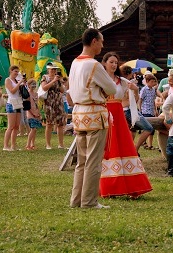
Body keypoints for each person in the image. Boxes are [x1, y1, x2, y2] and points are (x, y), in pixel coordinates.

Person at [69, 28, 117, 209]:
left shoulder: (74, 62)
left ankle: (76, 200)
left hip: (79, 113)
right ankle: (89, 202)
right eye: (102, 41)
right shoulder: (93, 65)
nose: (103, 45)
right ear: (94, 41)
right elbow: (112, 88)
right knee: (93, 161)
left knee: (81, 161)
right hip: (95, 114)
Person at [99, 52, 153, 198]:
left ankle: (133, 187)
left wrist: (134, 91)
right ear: (104, 63)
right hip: (104, 114)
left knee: (124, 146)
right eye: (111, 62)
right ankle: (109, 187)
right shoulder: (99, 79)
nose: (114, 65)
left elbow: (134, 94)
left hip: (118, 114)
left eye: (116, 62)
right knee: (108, 148)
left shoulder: (121, 81)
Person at [40, 62, 67, 149]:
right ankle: (48, 144)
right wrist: (53, 80)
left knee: (60, 123)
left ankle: (61, 144)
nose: (53, 71)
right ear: (48, 69)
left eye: (55, 69)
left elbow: (62, 90)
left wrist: (59, 81)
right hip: (49, 102)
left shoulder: (57, 78)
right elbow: (44, 88)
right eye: (52, 69)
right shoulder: (45, 77)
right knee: (49, 123)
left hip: (58, 102)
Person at [3, 65, 24, 151]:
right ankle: (5, 146)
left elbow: (18, 91)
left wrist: (22, 84)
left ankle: (13, 145)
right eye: (15, 71)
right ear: (11, 71)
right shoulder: (8, 80)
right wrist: (19, 83)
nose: (17, 73)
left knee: (16, 126)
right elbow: (12, 91)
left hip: (18, 103)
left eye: (17, 72)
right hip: (11, 103)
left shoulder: (16, 80)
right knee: (10, 126)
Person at [25, 79, 43, 150]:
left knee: (34, 130)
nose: (34, 86)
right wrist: (32, 113)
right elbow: (27, 106)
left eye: (35, 84)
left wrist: (38, 113)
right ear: (28, 85)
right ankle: (28, 144)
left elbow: (37, 105)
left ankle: (32, 144)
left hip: (36, 113)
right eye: (32, 84)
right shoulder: (27, 94)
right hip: (30, 114)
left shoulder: (36, 94)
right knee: (33, 129)